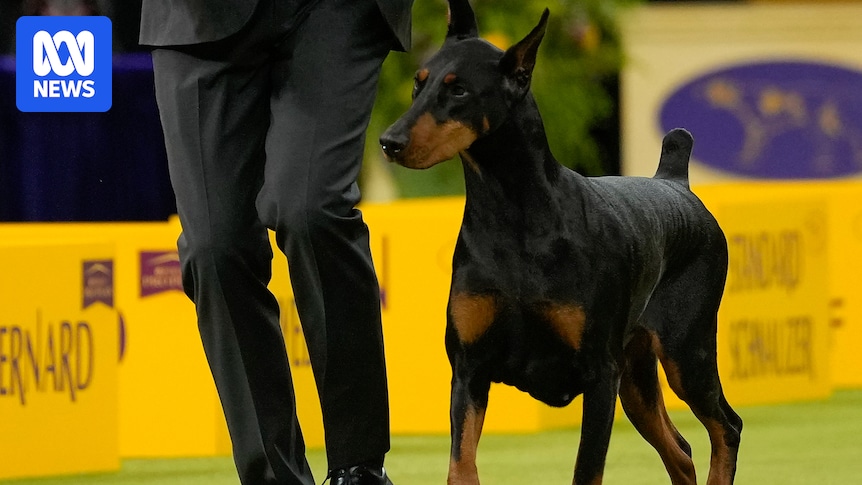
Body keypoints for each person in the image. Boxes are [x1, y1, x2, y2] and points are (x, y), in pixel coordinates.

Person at [139, 0, 412, 484]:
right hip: (197, 20)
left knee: (310, 209)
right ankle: (274, 477)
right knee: (214, 250)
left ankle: (359, 468)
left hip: (335, 11)